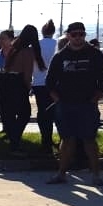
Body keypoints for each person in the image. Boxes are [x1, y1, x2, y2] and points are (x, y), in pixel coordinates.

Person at [45, 22, 103, 185]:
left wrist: (97, 96)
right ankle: (61, 174)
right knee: (67, 140)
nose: (78, 37)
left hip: (87, 104)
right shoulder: (60, 56)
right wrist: (57, 99)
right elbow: (49, 81)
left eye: (81, 34)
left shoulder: (94, 54)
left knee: (89, 140)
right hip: (65, 105)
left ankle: (96, 175)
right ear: (68, 36)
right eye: (74, 34)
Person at [0, 26, 44, 154]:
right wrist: (30, 87)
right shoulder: (28, 51)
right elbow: (27, 74)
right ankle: (15, 140)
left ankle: (13, 140)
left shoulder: (14, 47)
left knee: (10, 113)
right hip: (18, 82)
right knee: (25, 113)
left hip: (6, 81)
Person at [33, 20, 59, 154]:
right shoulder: (57, 44)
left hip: (39, 83)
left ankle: (46, 140)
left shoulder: (36, 45)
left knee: (43, 113)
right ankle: (63, 140)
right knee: (57, 112)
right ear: (53, 32)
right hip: (56, 84)